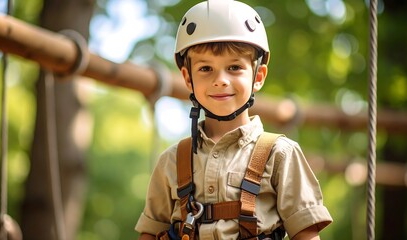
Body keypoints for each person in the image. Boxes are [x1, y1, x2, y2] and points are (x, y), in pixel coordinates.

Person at [135, 0, 333, 239]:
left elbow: (306, 235)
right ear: (188, 78)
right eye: (206, 69)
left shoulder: (280, 155)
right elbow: (149, 234)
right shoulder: (172, 162)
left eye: (234, 67)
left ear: (258, 76)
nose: (220, 80)